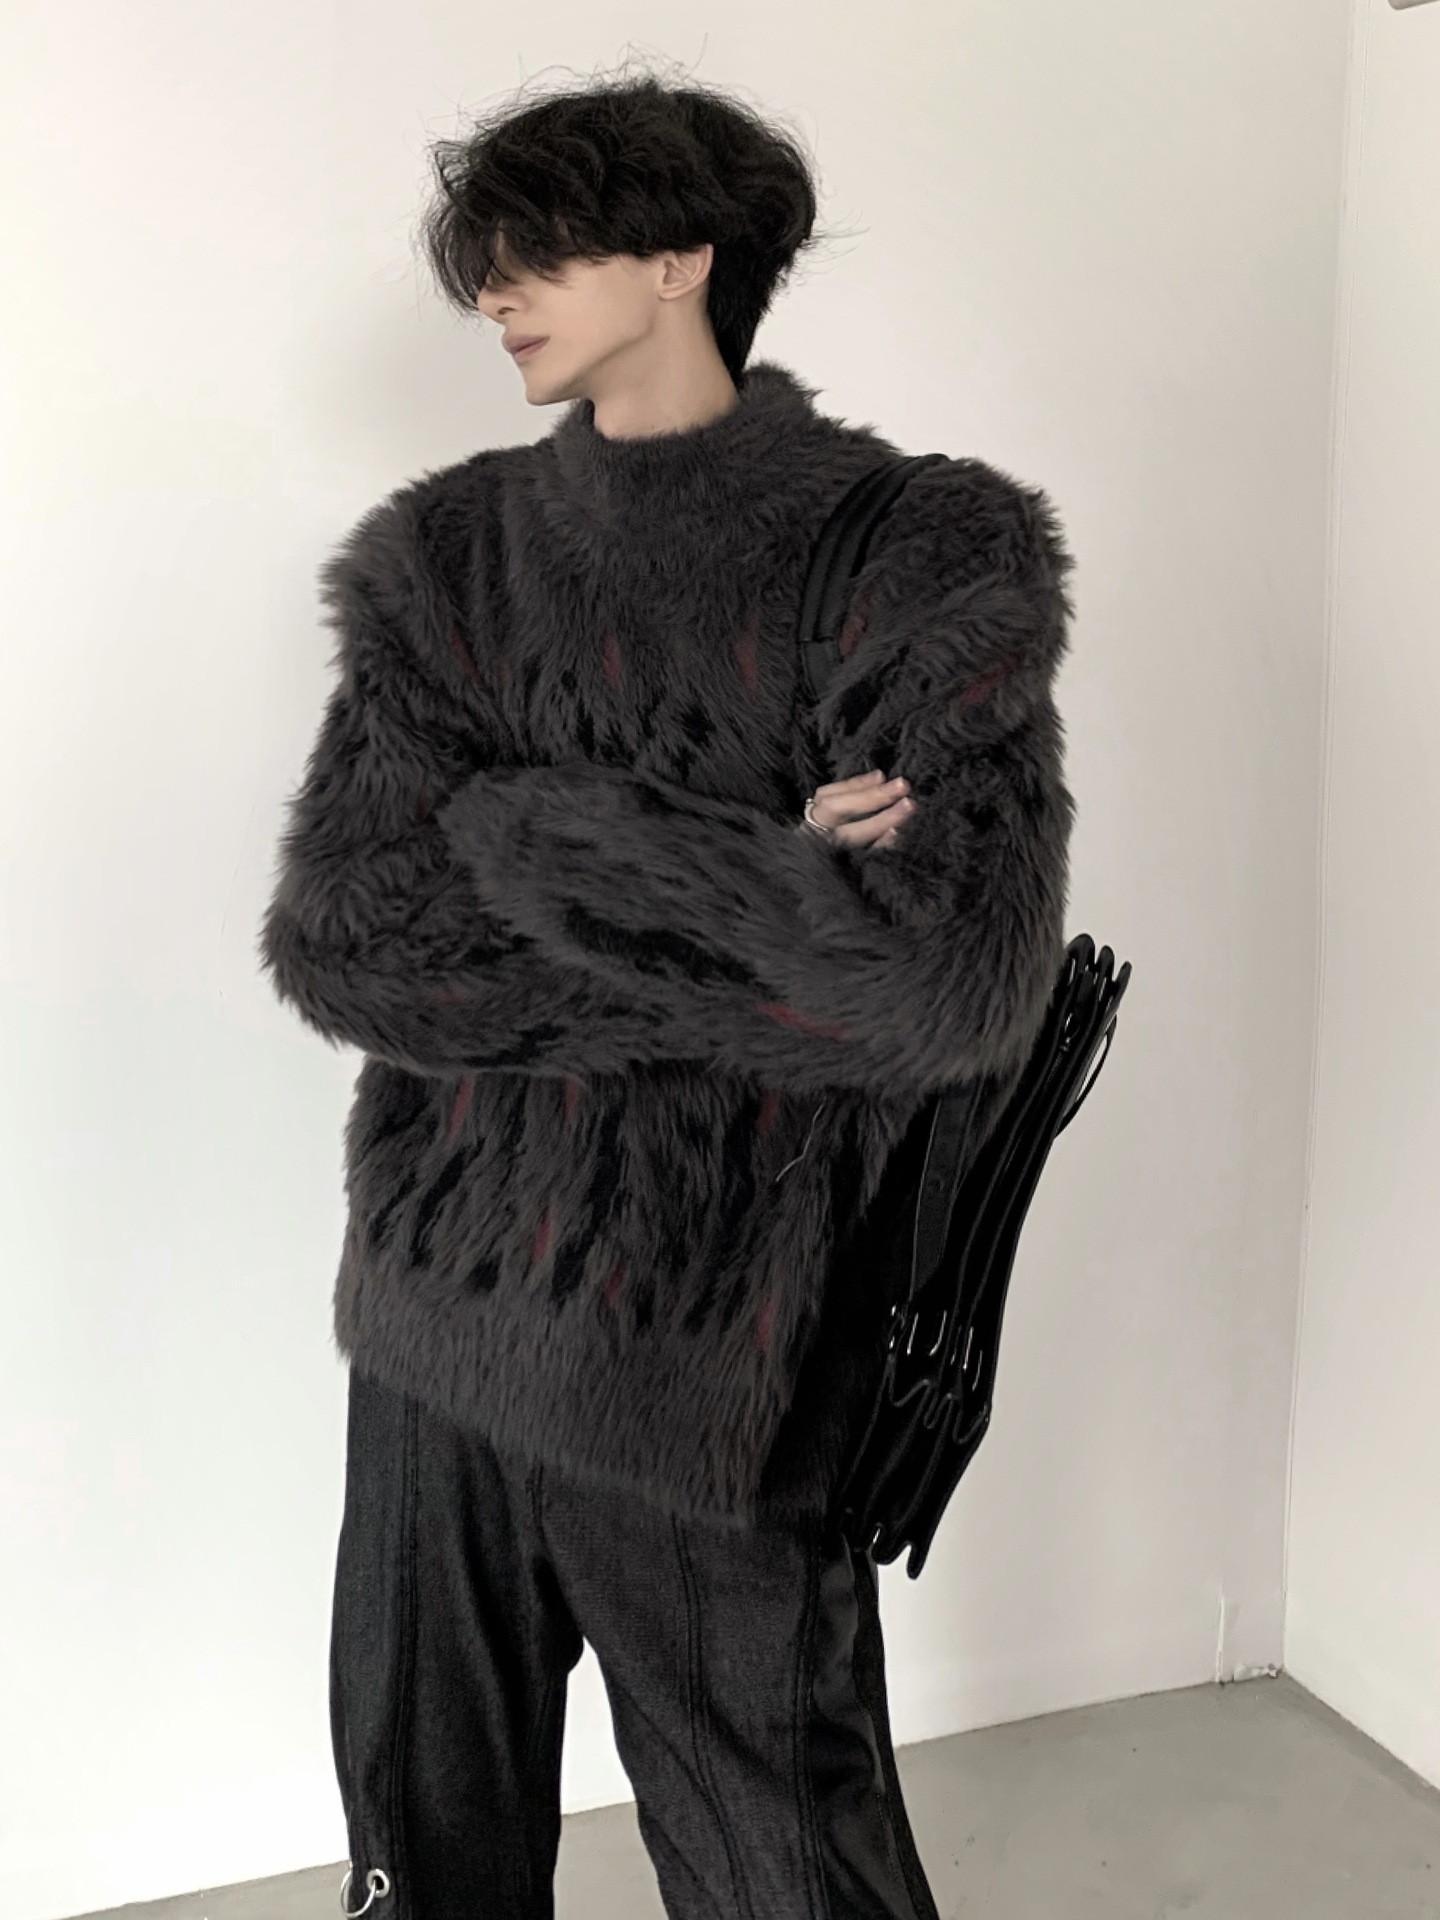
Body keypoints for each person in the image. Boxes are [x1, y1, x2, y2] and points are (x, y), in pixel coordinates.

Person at [258, 57, 1076, 1920]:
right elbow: (351, 938)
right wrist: (763, 876)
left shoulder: (917, 547)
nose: (495, 292)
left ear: (684, 256)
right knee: (420, 1831)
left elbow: (951, 978)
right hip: (436, 1312)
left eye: (539, 249)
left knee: (783, 1854)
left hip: (729, 1340)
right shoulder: (445, 558)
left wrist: (522, 837)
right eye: (484, 259)